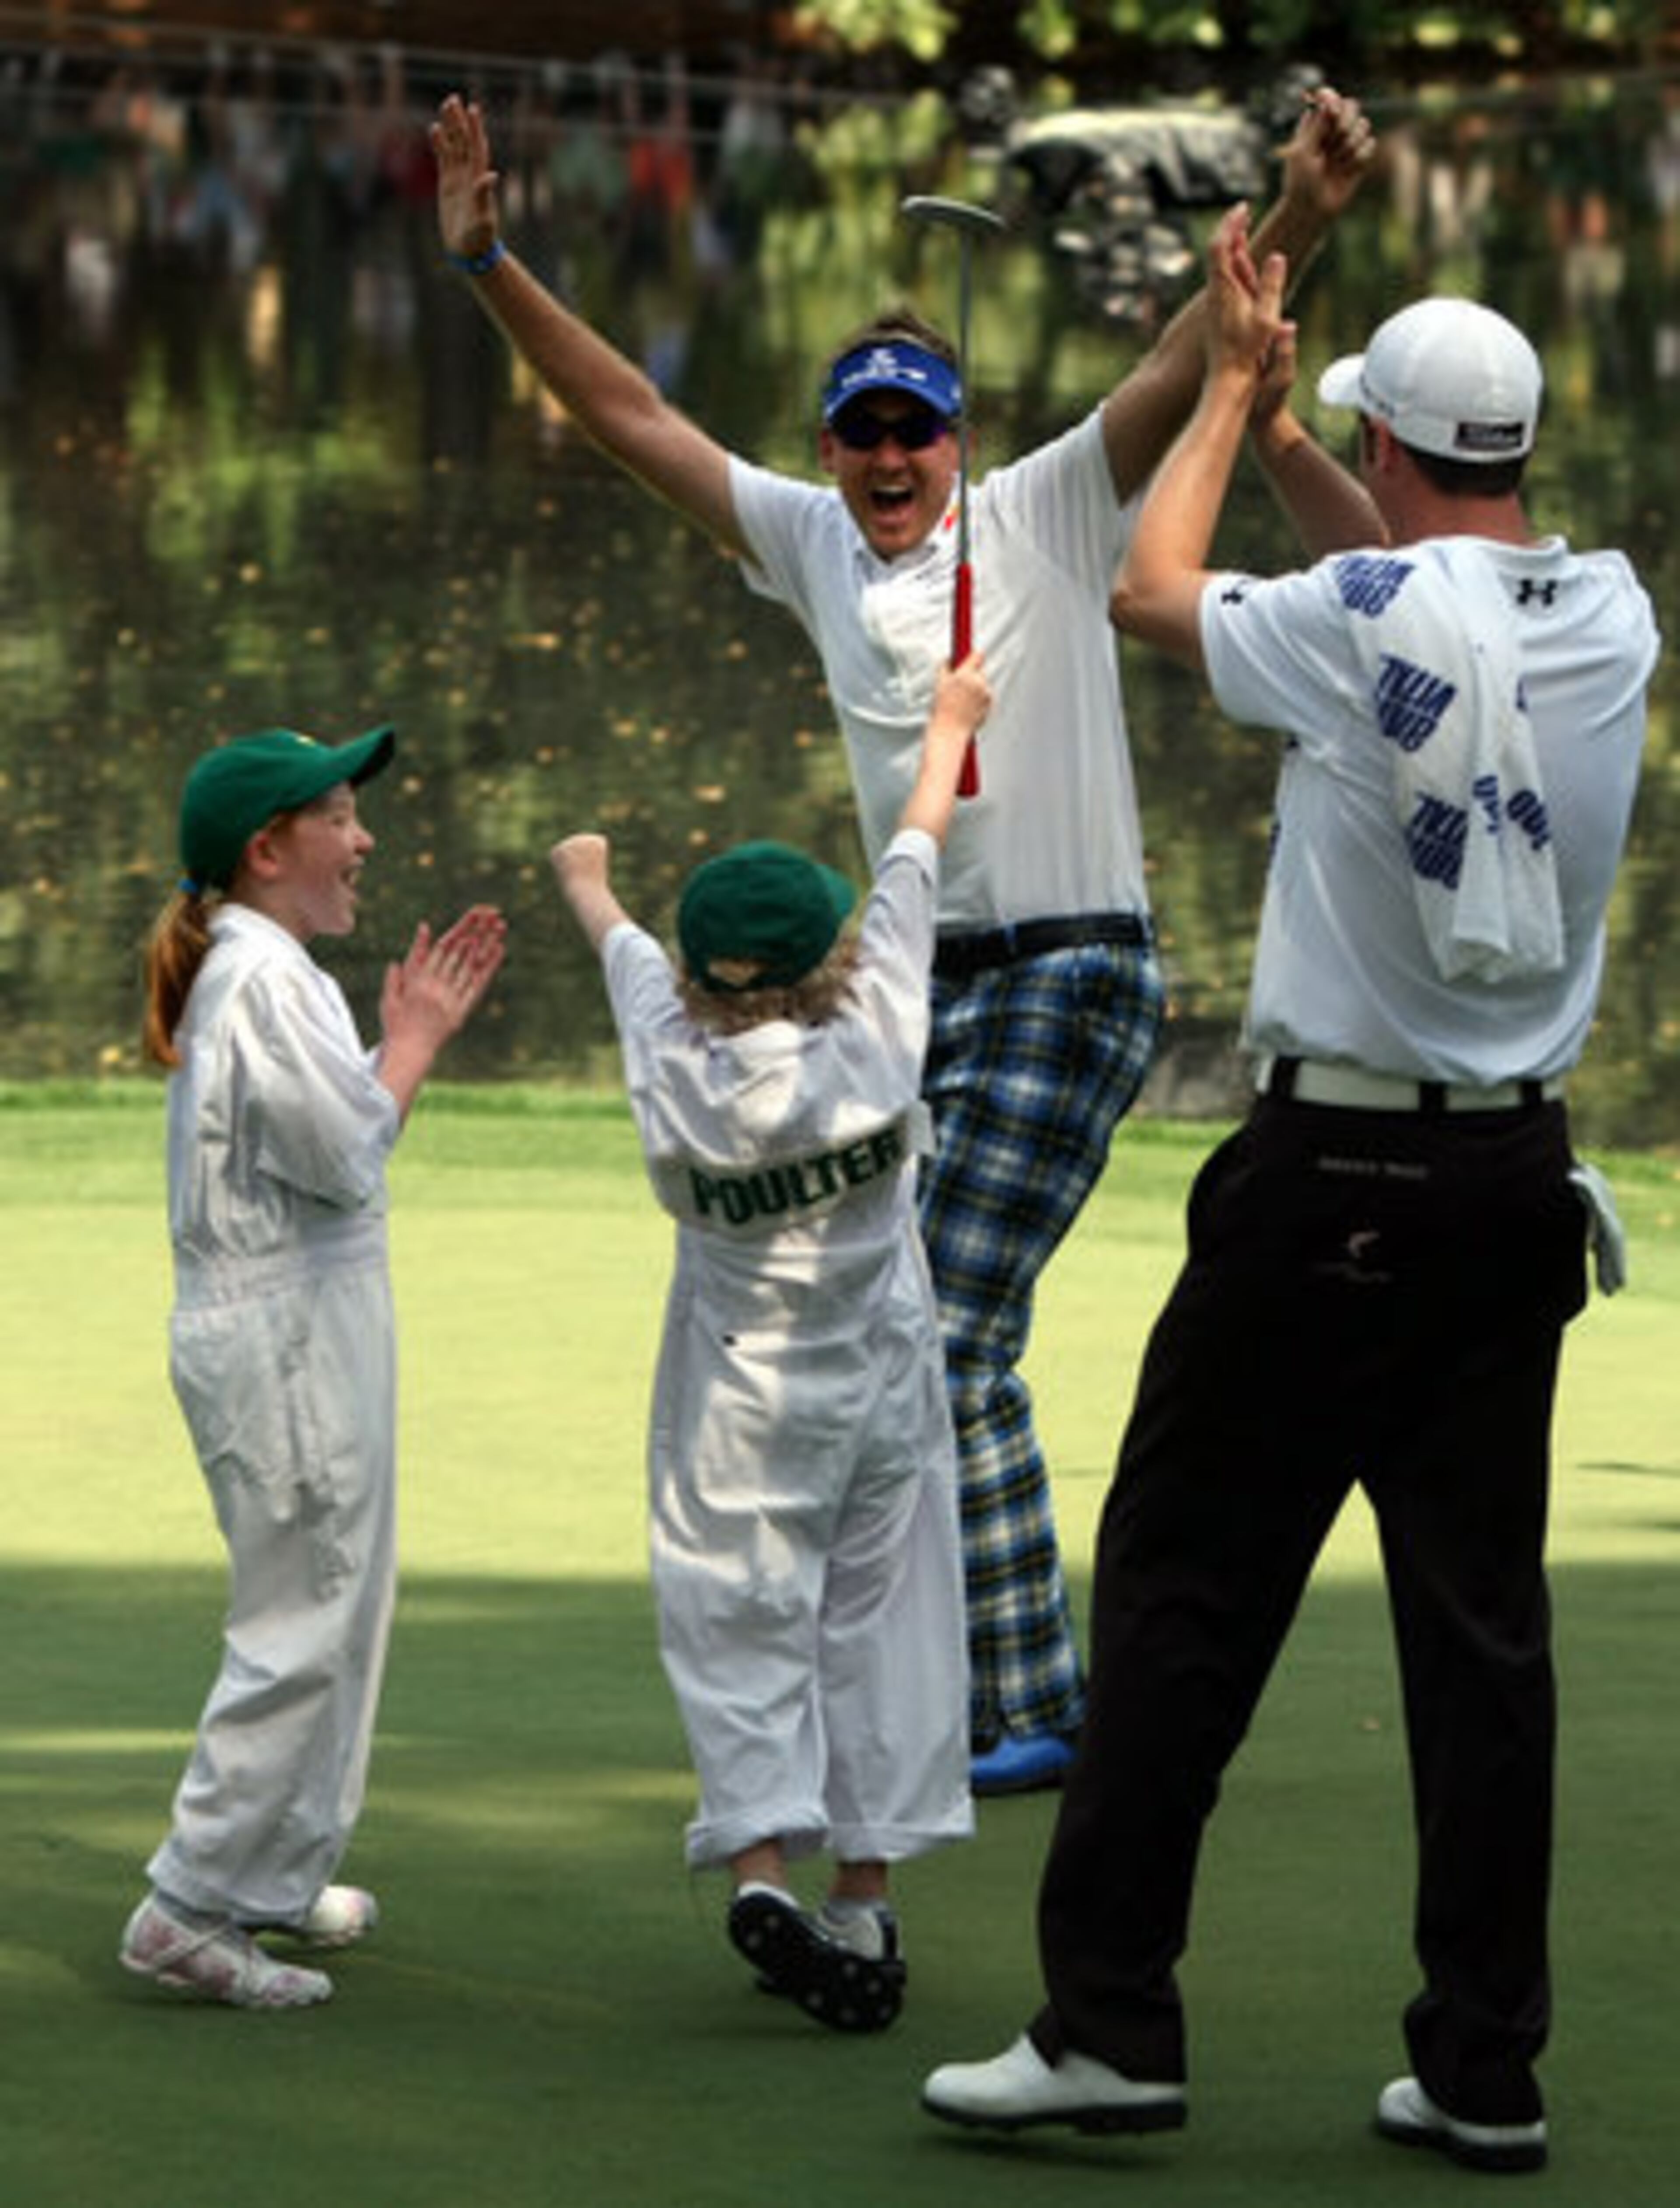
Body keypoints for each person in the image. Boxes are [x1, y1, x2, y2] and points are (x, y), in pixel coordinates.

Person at [431, 87, 1376, 1797]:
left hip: (1076, 973)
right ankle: (969, 1679)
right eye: (858, 434)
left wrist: (1297, 209)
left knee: (946, 1325)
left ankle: (1026, 1703)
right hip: (923, 988)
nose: (883, 462)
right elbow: (628, 411)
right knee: (903, 1324)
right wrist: (491, 257)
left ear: (953, 437)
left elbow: (1185, 355)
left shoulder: (1047, 508)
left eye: (910, 435)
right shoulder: (800, 543)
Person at [920, 213, 1658, 2170]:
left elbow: (1152, 594)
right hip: (1512, 1177)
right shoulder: (1606, 614)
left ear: (1399, 453)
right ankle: (1487, 2069)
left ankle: (1107, 2031)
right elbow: (1416, 581)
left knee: (1178, 1598)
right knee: (1482, 1645)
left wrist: (1234, 390)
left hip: (1328, 1174)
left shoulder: (1355, 636)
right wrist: (1291, 446)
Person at [550, 655, 992, 2031]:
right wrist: (951, 729)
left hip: (734, 1397)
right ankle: (861, 1899)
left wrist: (588, 871)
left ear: (699, 978)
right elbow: (917, 856)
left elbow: (616, 942)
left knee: (739, 1623)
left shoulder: (668, 1061)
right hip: (874, 1384)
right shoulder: (878, 1034)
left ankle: (758, 1863)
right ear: (831, 958)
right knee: (879, 1625)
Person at [122, 724, 506, 2009]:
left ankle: (271, 1876)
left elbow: (330, 1146)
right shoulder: (263, 978)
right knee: (303, 1622)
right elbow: (347, 1156)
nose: (365, 839)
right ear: (267, 849)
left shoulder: (268, 969)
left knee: (339, 1608)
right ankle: (189, 1904)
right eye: (340, 816)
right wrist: (418, 1039)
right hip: (282, 1346)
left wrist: (395, 1043)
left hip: (305, 1328)